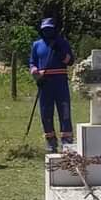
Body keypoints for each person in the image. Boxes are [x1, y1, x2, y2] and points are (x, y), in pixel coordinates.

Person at [29, 18, 76, 153]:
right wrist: (35, 72)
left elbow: (70, 61)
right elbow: (32, 62)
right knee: (46, 113)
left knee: (64, 110)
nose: (47, 32)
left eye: (50, 29)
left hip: (60, 81)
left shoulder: (62, 43)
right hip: (44, 82)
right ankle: (51, 141)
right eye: (45, 30)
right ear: (42, 30)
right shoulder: (37, 45)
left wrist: (60, 52)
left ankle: (67, 141)